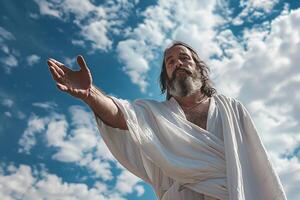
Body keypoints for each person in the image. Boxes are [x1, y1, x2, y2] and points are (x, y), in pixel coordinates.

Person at [47, 41, 287, 200]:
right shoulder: (154, 114)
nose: (178, 63)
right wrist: (91, 95)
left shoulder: (231, 108)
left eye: (184, 57)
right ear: (166, 76)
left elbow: (257, 163)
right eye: (170, 62)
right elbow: (121, 114)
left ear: (199, 69)